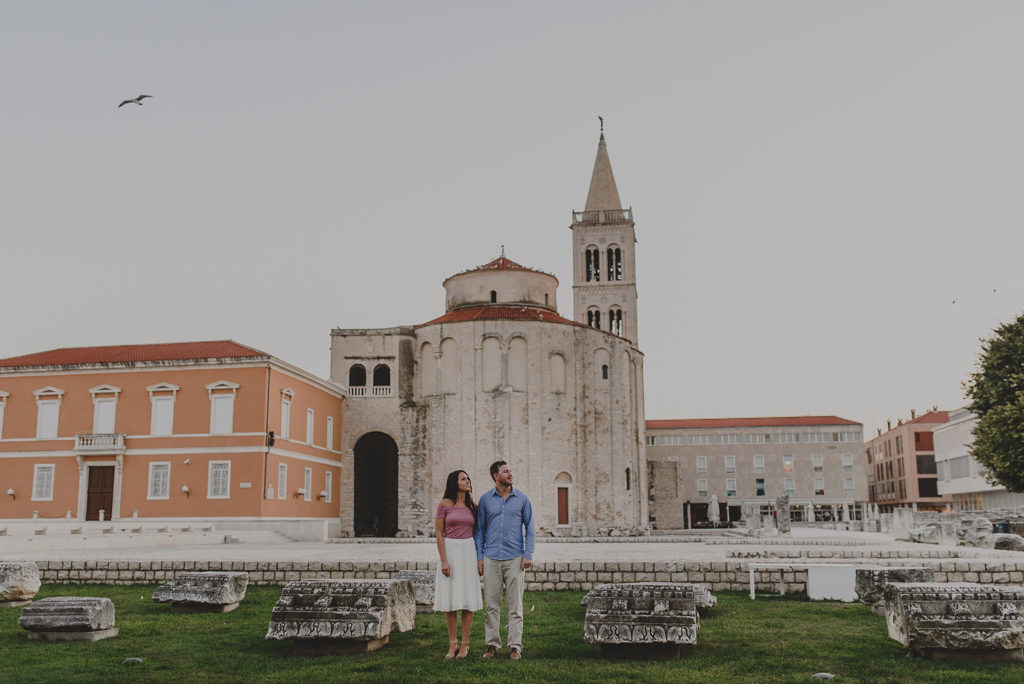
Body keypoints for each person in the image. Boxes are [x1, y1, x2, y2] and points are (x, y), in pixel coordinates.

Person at [474, 460, 535, 660]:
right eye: (505, 471)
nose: (510, 474)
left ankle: (515, 646)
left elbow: (531, 528)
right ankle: (492, 645)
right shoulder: (485, 500)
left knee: (516, 605)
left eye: (511, 471)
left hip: (515, 558)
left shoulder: (522, 499)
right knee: (491, 605)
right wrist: (479, 557)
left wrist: (528, 554)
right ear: (495, 475)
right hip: (491, 557)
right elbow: (480, 530)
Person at [433, 469, 482, 659]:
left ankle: (465, 644)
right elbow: (439, 533)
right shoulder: (444, 505)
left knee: (468, 599)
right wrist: (444, 559)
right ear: (455, 482)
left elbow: (478, 532)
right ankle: (452, 643)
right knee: (451, 599)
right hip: (451, 551)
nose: (468, 481)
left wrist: (479, 559)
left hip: (468, 551)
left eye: (468, 478)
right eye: (463, 479)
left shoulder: (473, 506)